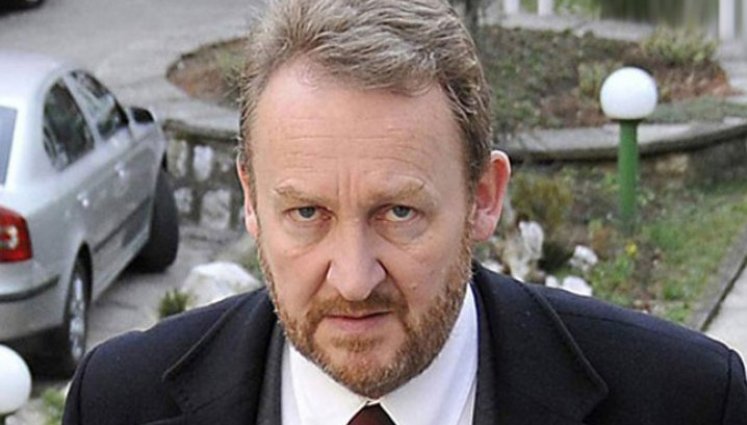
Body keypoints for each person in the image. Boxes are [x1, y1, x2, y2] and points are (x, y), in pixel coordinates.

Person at [63, 0, 747, 424]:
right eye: (306, 213)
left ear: (484, 197)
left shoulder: (685, 401)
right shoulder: (118, 404)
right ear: (250, 198)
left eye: (397, 212)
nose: (353, 279)